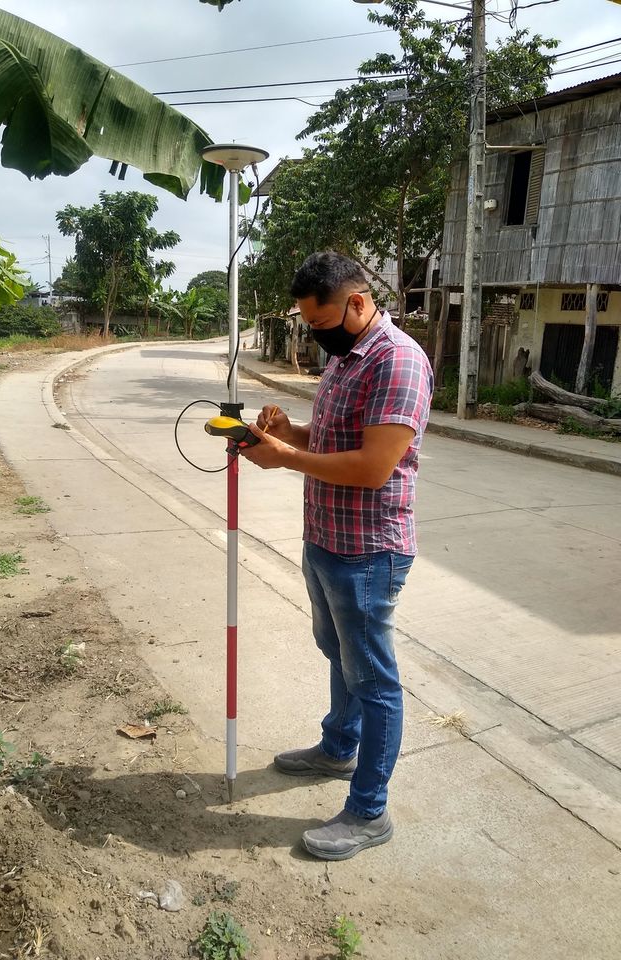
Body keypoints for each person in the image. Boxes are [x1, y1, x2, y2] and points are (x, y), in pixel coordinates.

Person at [240, 251, 433, 862]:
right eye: (308, 325)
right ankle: (338, 748)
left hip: (368, 550)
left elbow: (374, 467)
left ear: (357, 303)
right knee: (339, 654)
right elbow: (332, 442)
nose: (316, 335)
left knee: (372, 679)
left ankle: (369, 812)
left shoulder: (398, 360)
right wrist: (288, 435)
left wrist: (286, 459)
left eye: (322, 323)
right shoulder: (347, 358)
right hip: (325, 538)